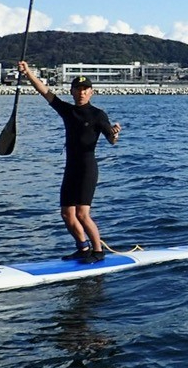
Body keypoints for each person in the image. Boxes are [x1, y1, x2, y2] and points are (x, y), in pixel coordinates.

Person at [18, 62, 122, 262]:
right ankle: (83, 248)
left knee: (82, 214)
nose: (81, 93)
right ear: (72, 91)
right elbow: (44, 91)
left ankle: (98, 251)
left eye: (85, 90)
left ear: (91, 92)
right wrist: (28, 72)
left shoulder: (98, 115)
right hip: (71, 169)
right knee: (67, 214)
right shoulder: (67, 110)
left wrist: (115, 134)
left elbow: (111, 140)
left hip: (87, 169)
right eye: (78, 89)